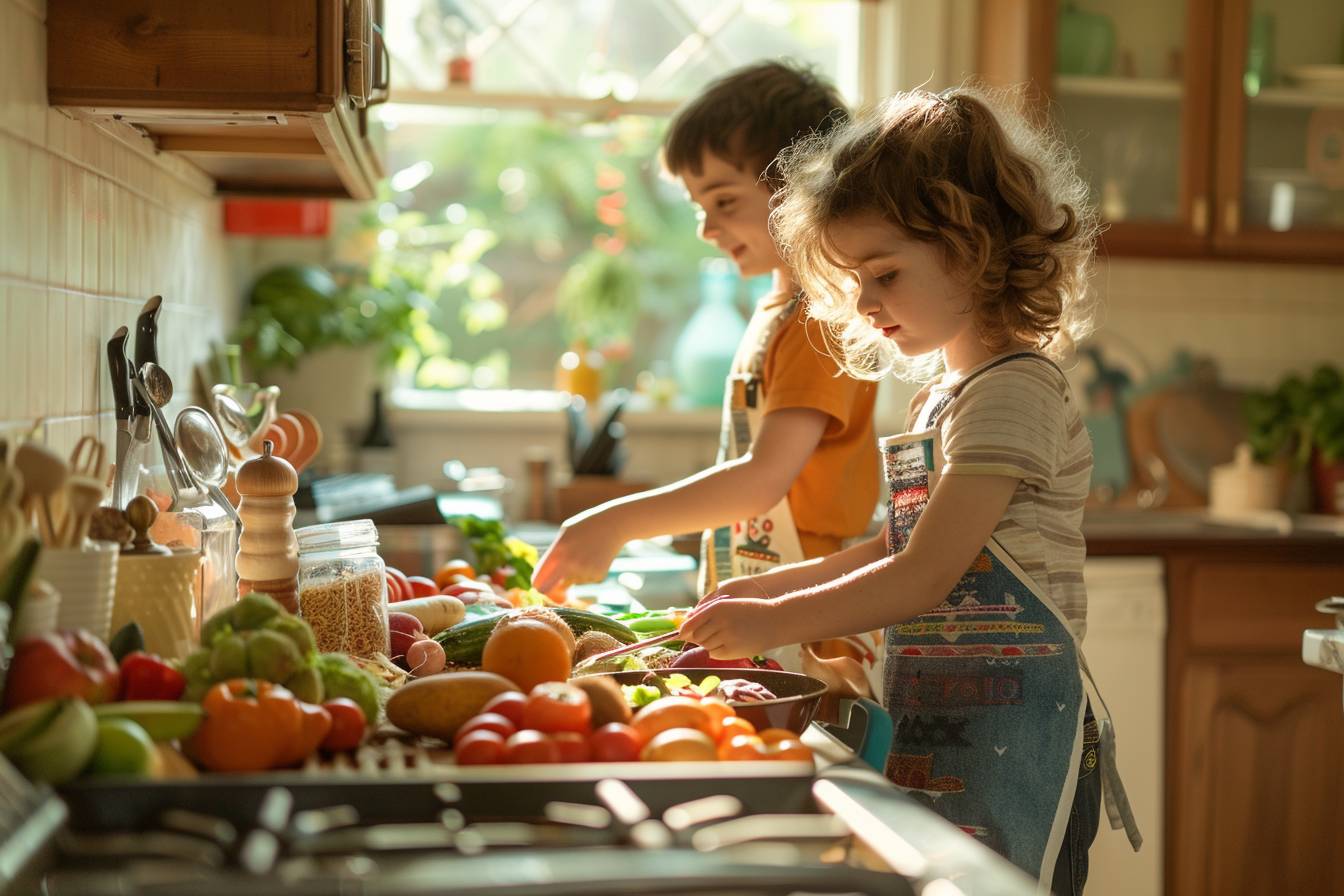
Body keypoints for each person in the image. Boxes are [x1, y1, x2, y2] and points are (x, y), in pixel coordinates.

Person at [679, 86, 1141, 893]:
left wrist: (773, 617)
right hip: (950, 723)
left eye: (884, 272)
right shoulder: (947, 394)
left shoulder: (1015, 390)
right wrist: (765, 589)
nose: (863, 302)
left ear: (973, 248)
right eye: (855, 278)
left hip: (1021, 731)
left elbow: (928, 575)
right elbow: (900, 546)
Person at [533, 61, 882, 689]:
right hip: (765, 615)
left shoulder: (821, 320)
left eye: (724, 200)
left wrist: (613, 520)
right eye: (698, 205)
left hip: (810, 621)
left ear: (806, 191)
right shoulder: (779, 311)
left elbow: (761, 481)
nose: (705, 227)